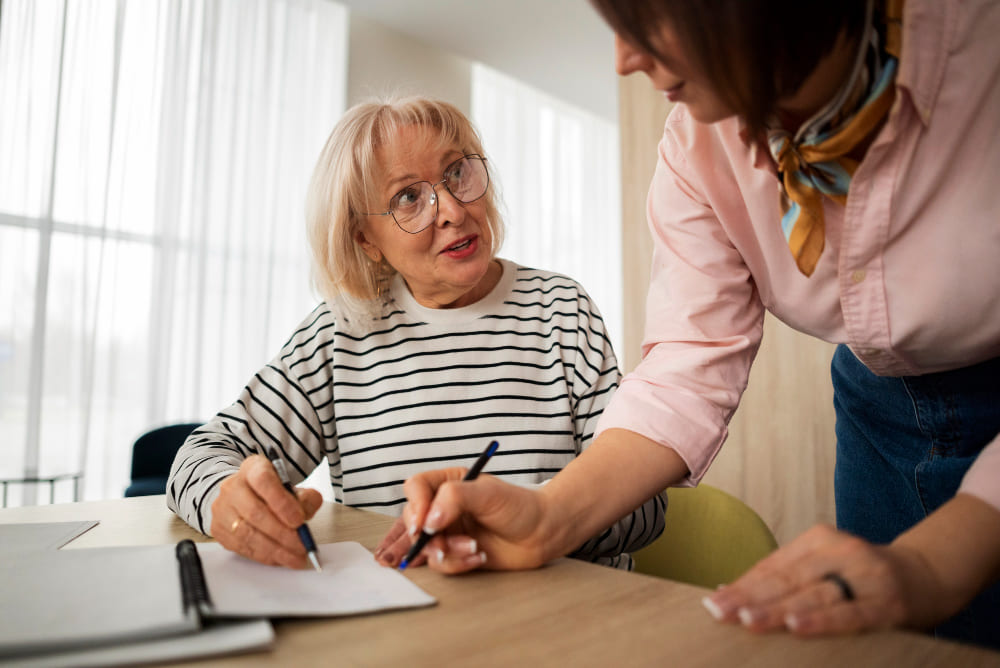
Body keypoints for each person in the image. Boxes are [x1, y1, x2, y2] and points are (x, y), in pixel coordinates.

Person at [396, 0, 1000, 649]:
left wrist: (932, 565)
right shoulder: (694, 144)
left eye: (644, 20)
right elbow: (686, 363)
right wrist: (546, 517)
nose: (625, 59)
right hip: (879, 411)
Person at [166, 96, 666, 573]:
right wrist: (224, 501)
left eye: (457, 173)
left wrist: (528, 517)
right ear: (367, 240)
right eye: (408, 197)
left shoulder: (561, 311)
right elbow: (198, 457)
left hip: (569, 620)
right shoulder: (338, 335)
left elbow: (644, 507)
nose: (452, 209)